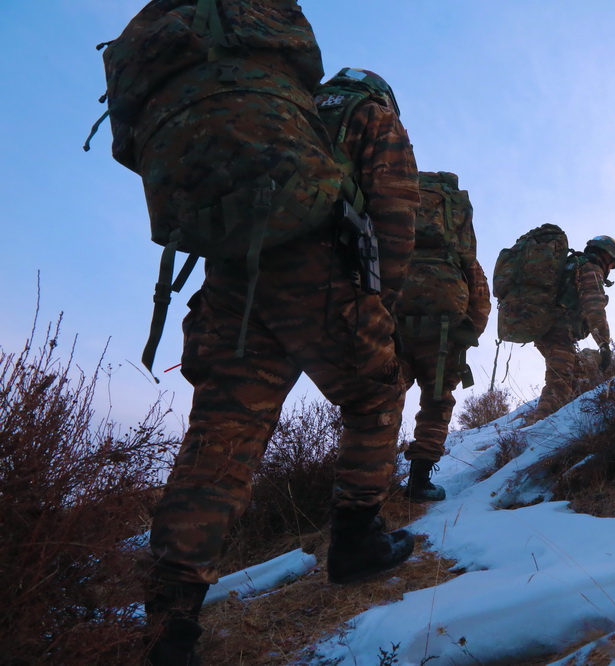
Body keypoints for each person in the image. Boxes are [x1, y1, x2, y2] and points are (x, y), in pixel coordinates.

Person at [139, 66, 419, 664]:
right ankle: (355, 541)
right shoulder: (372, 114)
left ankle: (171, 620)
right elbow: (395, 214)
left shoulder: (280, 109)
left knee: (222, 435)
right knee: (377, 393)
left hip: (232, 283)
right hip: (318, 272)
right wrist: (378, 307)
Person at [395, 171, 491, 501]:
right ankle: (419, 482)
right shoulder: (454, 245)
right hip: (443, 334)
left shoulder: (394, 233)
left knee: (382, 398)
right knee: (436, 403)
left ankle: (369, 482)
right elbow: (479, 290)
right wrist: (468, 334)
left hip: (393, 326)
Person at [530, 236, 615, 422]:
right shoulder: (589, 268)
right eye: (611, 264)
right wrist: (604, 344)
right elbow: (594, 307)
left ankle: (565, 421)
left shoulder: (569, 265)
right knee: (559, 383)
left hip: (542, 327)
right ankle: (534, 430)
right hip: (559, 331)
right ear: (607, 256)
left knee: (575, 374)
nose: (609, 269)